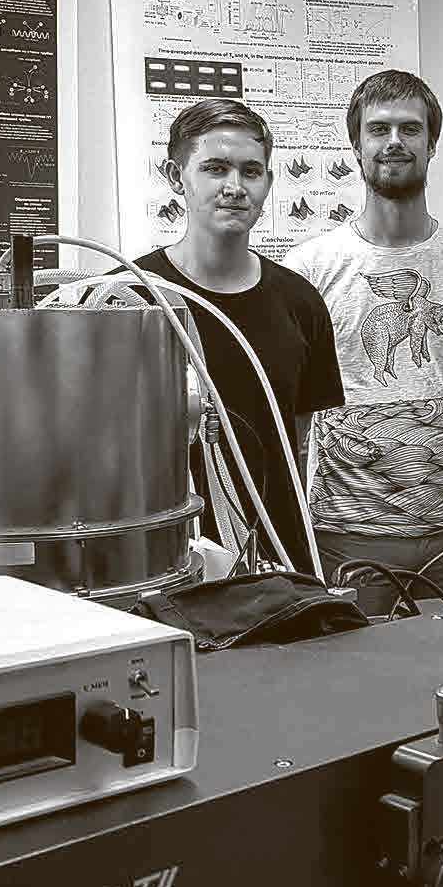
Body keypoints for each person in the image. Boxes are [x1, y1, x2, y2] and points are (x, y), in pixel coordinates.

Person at [283, 71, 443, 615]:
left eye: (410, 128)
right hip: (344, 536)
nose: (395, 142)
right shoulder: (309, 269)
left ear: (432, 143)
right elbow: (294, 416)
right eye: (378, 129)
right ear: (356, 145)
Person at [136, 99, 344, 574]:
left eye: (251, 171)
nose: (235, 187)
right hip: (164, 560)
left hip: (277, 555)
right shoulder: (131, 299)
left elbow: (298, 444)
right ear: (175, 177)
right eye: (215, 168)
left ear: (268, 182)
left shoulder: (300, 303)